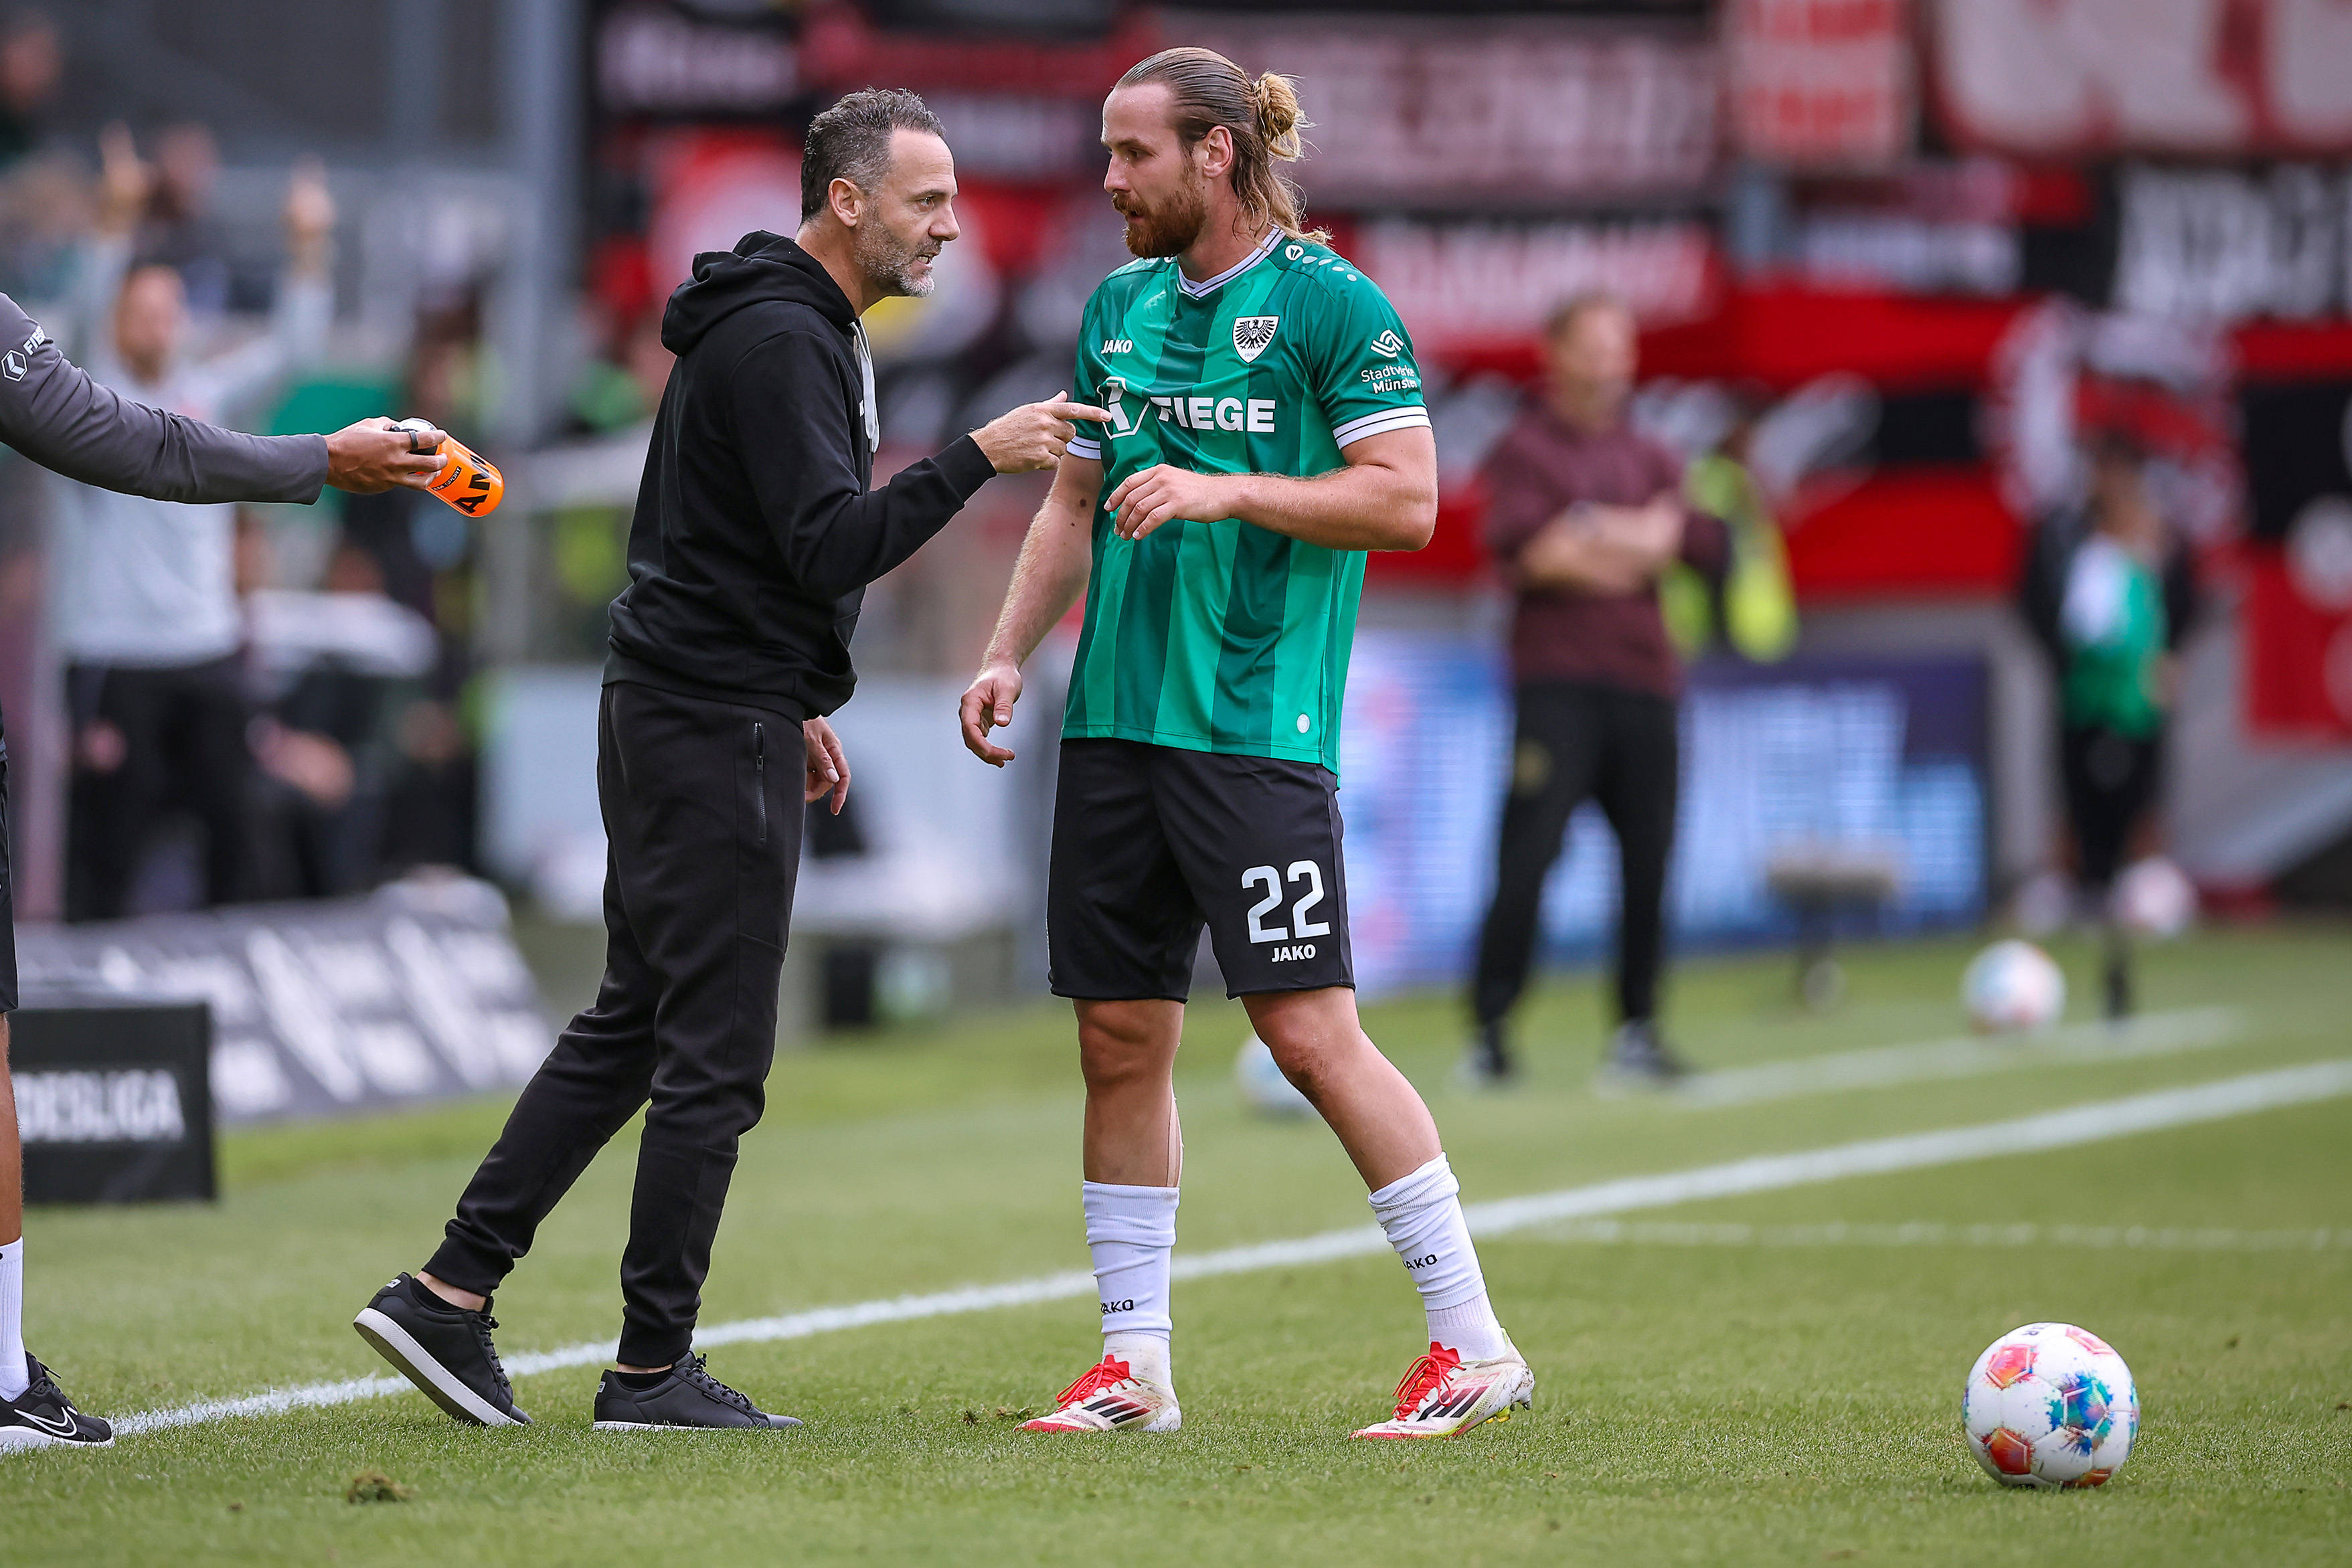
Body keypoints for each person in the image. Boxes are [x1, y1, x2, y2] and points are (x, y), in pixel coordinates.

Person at [351, 88, 1103, 1433]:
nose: (950, 225)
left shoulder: (779, 324)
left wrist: (793, 684)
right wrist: (975, 462)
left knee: (636, 1019)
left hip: (690, 702)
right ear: (848, 199)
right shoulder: (781, 335)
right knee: (713, 1052)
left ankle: (447, 1290)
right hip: (704, 718)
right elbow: (824, 542)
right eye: (926, 199)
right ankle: (647, 1369)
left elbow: (738, 546)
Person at [960, 48, 1533, 1442]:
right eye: (1106, 154)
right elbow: (1069, 503)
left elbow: (1403, 503)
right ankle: (1132, 1366)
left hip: (1253, 734)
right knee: (1117, 1035)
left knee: (1302, 1029)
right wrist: (1004, 648)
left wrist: (1226, 496)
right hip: (1110, 722)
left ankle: (1471, 1341)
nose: (1109, 183)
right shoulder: (1115, 308)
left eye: (1132, 156)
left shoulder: (1332, 306)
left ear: (1216, 153)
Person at [0, 280, 442, 1450]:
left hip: (194, 663)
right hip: (120, 662)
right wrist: (317, 460)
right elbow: (122, 440)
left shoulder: (182, 368)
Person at [56, 126, 335, 920]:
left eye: (168, 311)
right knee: (108, 843)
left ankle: (231, 982)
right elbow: (75, 314)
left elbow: (295, 350)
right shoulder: (84, 398)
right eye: (140, 311)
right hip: (115, 652)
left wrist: (308, 245)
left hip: (205, 646)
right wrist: (112, 220)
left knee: (234, 831)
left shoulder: (204, 396)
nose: (156, 325)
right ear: (118, 319)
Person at [1463, 294, 1728, 1088]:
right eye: (1598, 347)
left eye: (1624, 347)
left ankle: (1638, 1030)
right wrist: (1637, 538)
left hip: (1646, 683)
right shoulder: (1525, 449)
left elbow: (1701, 543)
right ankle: (1491, 1033)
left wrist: (1590, 531)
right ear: (1557, 354)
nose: (1615, 365)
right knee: (1530, 855)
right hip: (1557, 686)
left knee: (1648, 860)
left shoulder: (1653, 452)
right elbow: (1532, 555)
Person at [2018, 432, 2198, 1018]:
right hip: (2088, 699)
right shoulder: (2073, 543)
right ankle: (2077, 886)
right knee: (2081, 791)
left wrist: (2167, 660)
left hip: (2135, 703)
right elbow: (2060, 618)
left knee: (2138, 795)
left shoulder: (2159, 545)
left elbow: (2179, 609)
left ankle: (2141, 888)